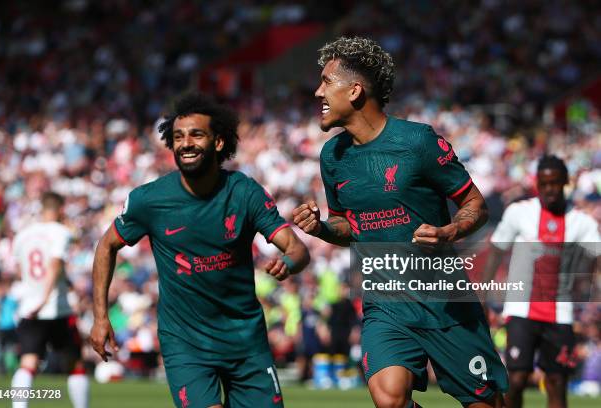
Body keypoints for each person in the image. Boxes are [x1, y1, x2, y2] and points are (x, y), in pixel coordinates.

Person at [292, 36, 508, 408]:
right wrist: (322, 228)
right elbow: (348, 226)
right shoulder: (332, 156)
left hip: (445, 301)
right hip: (385, 302)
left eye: (326, 82)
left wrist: (450, 230)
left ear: (355, 91)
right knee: (389, 399)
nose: (317, 92)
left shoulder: (417, 141)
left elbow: (476, 205)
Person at [90, 92, 310, 408]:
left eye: (196, 134)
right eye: (178, 136)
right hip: (186, 343)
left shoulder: (244, 192)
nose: (185, 143)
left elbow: (298, 249)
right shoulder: (149, 200)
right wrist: (100, 316)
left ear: (218, 142)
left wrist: (288, 263)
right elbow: (106, 245)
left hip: (245, 341)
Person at [484, 155, 600, 408]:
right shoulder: (519, 212)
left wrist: (588, 281)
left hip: (561, 313)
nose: (550, 189)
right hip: (521, 309)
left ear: (565, 183)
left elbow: (598, 255)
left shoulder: (581, 222)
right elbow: (496, 249)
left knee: (557, 382)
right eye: (544, 184)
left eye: (555, 183)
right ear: (537, 183)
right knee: (515, 378)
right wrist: (482, 295)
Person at [11, 192, 89, 408]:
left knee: (28, 362)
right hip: (56, 308)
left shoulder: (22, 236)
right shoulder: (60, 232)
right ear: (61, 209)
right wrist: (45, 298)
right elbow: (55, 264)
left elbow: (21, 271)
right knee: (75, 364)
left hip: (30, 308)